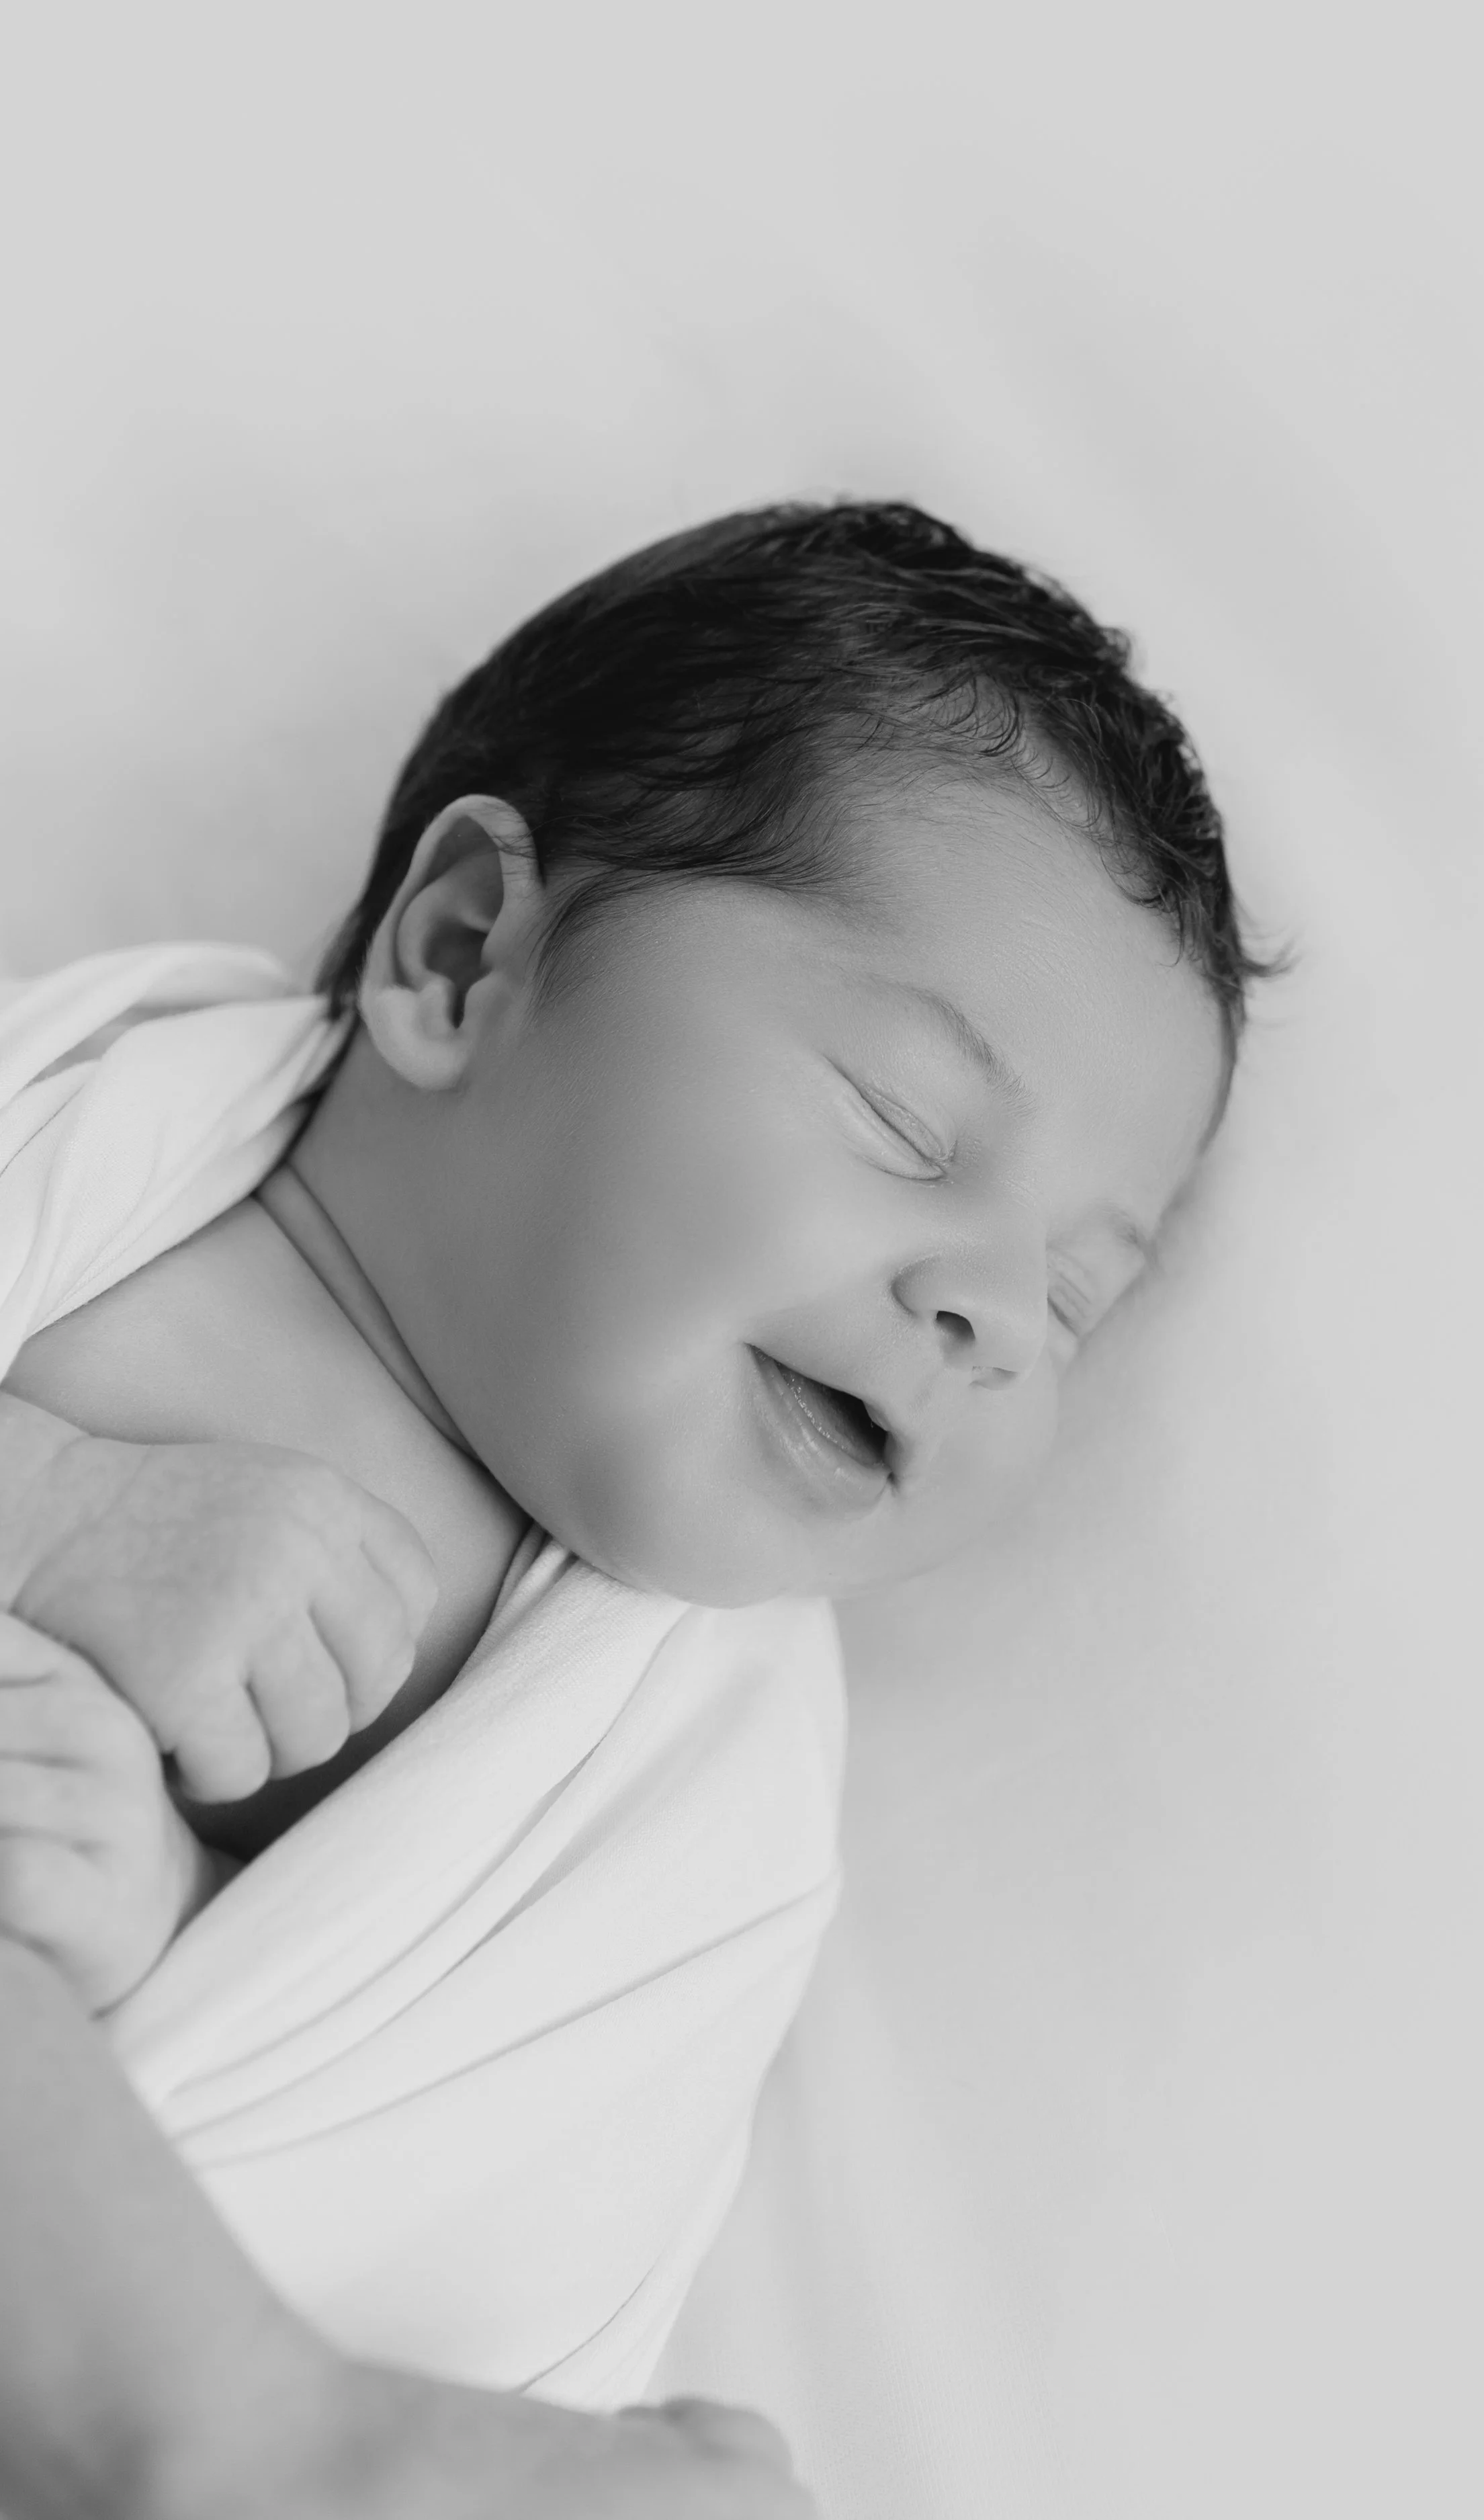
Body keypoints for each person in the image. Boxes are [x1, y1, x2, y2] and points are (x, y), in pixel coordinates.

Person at [0, 500, 1275, 2517]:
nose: (980, 1311)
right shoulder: (85, 1123)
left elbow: (449, 2211)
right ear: (462, 954)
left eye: (1072, 1300)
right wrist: (53, 1503)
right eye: (906, 1122)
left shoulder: (693, 1812)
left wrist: (154, 1911)